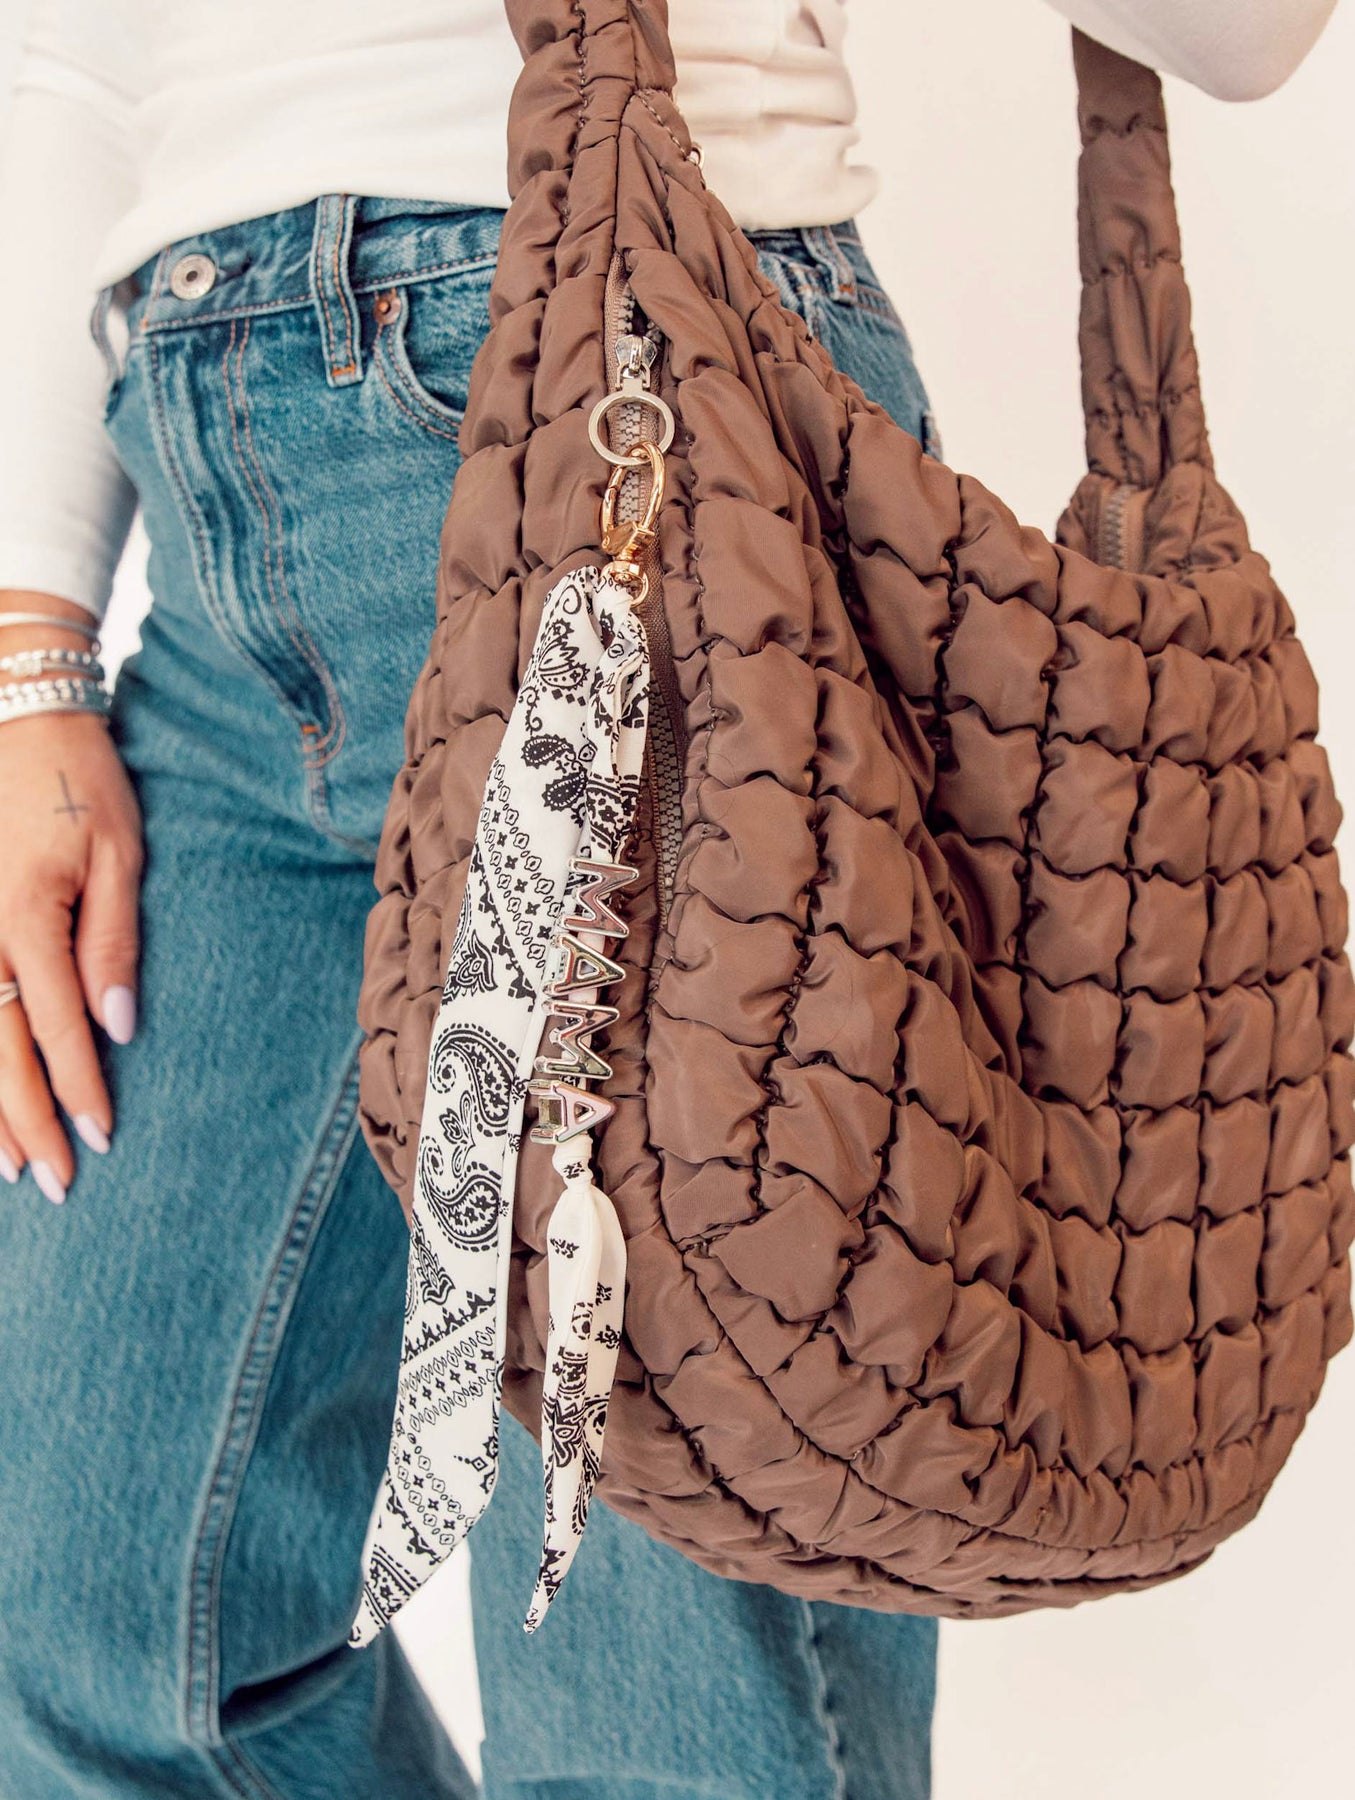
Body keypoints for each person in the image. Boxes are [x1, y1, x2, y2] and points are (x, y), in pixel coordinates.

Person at [0, 2, 1337, 1796]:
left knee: (671, 1734)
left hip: (669, 448)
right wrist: (29, 637)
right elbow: (78, 47)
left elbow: (1246, 34)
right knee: (93, 1640)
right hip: (219, 509)